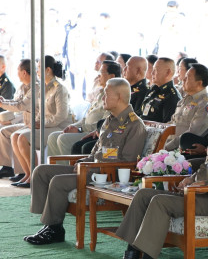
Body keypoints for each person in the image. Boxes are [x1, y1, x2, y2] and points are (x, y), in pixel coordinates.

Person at [115, 86, 208, 259]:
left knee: (159, 202)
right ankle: (131, 256)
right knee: (143, 195)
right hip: (199, 193)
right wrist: (191, 177)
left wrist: (207, 184)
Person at [24, 78, 147, 245]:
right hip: (91, 169)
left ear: (119, 97)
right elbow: (97, 150)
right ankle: (50, 223)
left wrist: (89, 166)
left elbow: (127, 162)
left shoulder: (134, 125)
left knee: (58, 182)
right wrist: (84, 161)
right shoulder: (110, 120)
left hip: (106, 176)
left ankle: (53, 229)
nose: (103, 97)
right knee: (41, 171)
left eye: (106, 94)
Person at [11, 56, 72, 188]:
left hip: (58, 127)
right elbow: (40, 112)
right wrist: (34, 122)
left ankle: (35, 176)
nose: (36, 71)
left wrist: (41, 124)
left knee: (23, 137)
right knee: (14, 136)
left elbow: (61, 116)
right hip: (46, 124)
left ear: (48, 69)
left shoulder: (59, 88)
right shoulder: (43, 88)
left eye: (38, 68)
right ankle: (28, 174)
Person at [46, 61, 120, 157]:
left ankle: (69, 170)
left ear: (111, 76)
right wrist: (73, 126)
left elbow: (105, 122)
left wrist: (80, 129)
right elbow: (86, 118)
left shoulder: (113, 97)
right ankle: (55, 170)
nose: (98, 76)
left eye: (101, 73)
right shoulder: (101, 94)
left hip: (93, 132)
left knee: (63, 139)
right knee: (53, 136)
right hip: (85, 129)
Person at [0, 59, 39, 182]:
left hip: (35, 124)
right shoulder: (23, 87)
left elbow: (21, 106)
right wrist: (4, 102)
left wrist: (2, 103)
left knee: (17, 135)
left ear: (24, 73)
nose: (16, 73)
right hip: (25, 122)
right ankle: (11, 168)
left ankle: (26, 172)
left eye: (18, 70)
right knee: (4, 132)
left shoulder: (36, 87)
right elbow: (16, 102)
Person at [164, 64, 208, 151]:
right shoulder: (184, 100)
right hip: (168, 146)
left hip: (181, 150)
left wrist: (166, 147)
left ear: (199, 83)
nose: (183, 79)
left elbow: (193, 131)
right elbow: (172, 123)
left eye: (187, 77)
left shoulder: (204, 104)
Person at [140, 57, 181, 123]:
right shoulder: (153, 90)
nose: (152, 73)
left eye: (155, 70)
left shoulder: (171, 96)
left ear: (168, 72)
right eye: (152, 69)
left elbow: (167, 126)